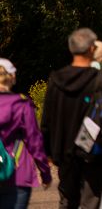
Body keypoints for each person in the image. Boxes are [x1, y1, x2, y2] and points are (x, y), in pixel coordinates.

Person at [41, 28, 102, 209]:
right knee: (91, 202)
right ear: (92, 49)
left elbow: (47, 119)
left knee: (67, 200)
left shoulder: (56, 79)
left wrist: (47, 151)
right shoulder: (101, 79)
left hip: (63, 151)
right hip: (94, 151)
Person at [0, 59, 52, 209]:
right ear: (12, 77)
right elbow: (34, 141)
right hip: (17, 173)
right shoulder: (22, 104)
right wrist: (45, 173)